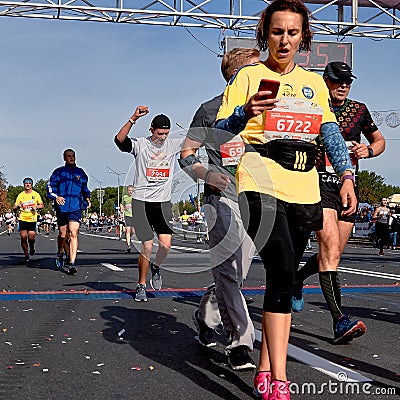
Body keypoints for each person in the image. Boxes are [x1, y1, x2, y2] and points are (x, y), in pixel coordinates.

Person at [214, 1, 357, 397]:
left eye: (293, 33)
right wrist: (246, 112)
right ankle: (278, 380)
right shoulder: (247, 76)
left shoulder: (313, 84)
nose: (284, 40)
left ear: (303, 38)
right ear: (266, 35)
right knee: (279, 272)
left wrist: (346, 175)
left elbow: (329, 133)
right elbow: (222, 132)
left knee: (288, 276)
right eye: (277, 32)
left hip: (305, 186)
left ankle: (263, 363)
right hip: (259, 180)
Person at [293, 61, 386, 342]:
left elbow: (380, 140)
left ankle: (297, 280)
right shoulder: (312, 105)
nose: (343, 85)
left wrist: (368, 151)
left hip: (348, 187)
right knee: (329, 248)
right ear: (326, 81)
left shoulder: (359, 109)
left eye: (348, 81)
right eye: (337, 80)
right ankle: (339, 320)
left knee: (331, 255)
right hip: (317, 183)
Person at [180, 47, 260, 371]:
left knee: (236, 275)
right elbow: (186, 153)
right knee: (227, 270)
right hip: (222, 197)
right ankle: (240, 342)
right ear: (236, 76)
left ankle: (205, 315)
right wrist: (207, 174)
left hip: (259, 199)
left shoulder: (266, 110)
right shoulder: (209, 109)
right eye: (256, 70)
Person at [114, 107, 183, 302]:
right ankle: (141, 284)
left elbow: (198, 140)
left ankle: (157, 267)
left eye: (166, 134)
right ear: (151, 130)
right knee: (146, 246)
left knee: (166, 246)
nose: (162, 137)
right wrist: (133, 118)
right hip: (142, 202)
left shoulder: (173, 145)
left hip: (162, 203)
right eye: (160, 133)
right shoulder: (141, 145)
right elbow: (119, 140)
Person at [47, 149, 91, 274]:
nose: (71, 158)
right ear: (64, 158)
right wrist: (57, 197)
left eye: (73, 156)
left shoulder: (80, 173)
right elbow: (50, 187)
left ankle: (72, 263)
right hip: (62, 207)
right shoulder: (59, 172)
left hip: (76, 207)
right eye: (69, 156)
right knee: (63, 235)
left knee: (73, 233)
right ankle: (60, 252)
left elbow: (85, 188)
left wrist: (87, 197)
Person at [13, 177, 44, 263]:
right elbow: (14, 207)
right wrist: (18, 206)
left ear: (31, 185)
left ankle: (32, 246)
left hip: (32, 218)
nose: (27, 184)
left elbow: (41, 205)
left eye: (29, 183)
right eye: (26, 183)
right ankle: (26, 254)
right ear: (24, 185)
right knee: (23, 237)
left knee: (31, 237)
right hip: (23, 217)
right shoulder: (21, 195)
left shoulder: (36, 194)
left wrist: (36, 207)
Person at [120, 185, 135, 252]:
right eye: (129, 190)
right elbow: (121, 204)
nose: (131, 192)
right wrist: (122, 209)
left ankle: (128, 237)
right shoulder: (125, 197)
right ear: (127, 191)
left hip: (134, 216)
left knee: (133, 231)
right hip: (127, 215)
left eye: (132, 190)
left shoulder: (135, 198)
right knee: (128, 231)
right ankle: (129, 245)